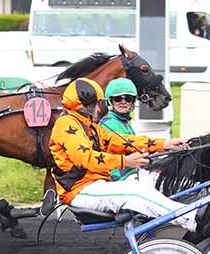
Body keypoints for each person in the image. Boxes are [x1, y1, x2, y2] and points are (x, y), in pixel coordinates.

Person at [49, 77, 199, 232]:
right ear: (88, 104)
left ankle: (189, 215)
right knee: (137, 192)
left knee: (139, 188)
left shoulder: (90, 126)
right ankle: (193, 218)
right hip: (79, 191)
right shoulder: (66, 124)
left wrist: (165, 144)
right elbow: (84, 158)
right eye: (100, 103)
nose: (101, 108)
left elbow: (123, 141)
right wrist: (125, 161)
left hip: (95, 186)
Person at [99, 77, 139, 181]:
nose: (123, 102)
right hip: (116, 176)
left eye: (128, 98)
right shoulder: (109, 123)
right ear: (110, 101)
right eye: (118, 98)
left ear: (132, 102)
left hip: (130, 171)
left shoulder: (123, 122)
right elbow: (130, 146)